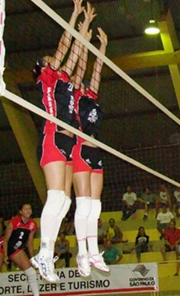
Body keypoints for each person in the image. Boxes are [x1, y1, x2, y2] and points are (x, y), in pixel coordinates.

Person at [30, 0, 92, 282]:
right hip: (53, 137)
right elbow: (65, 44)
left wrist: (84, 26)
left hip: (66, 142)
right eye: (47, 60)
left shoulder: (64, 80)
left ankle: (45, 254)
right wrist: (74, 15)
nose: (52, 60)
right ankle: (43, 253)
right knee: (56, 198)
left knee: (65, 203)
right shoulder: (47, 79)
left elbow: (76, 51)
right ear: (42, 69)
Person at [70, 20, 109, 277]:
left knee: (96, 207)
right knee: (83, 205)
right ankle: (81, 252)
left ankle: (94, 252)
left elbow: (96, 69)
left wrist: (103, 46)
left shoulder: (91, 95)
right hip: (80, 149)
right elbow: (81, 64)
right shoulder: (72, 97)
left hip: (96, 152)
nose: (83, 82)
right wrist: (82, 35)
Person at [0, 204, 39, 296]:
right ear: (21, 212)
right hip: (3, 247)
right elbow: (6, 240)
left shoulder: (33, 224)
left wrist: (32, 258)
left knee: (31, 272)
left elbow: (30, 242)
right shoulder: (14, 222)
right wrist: (6, 256)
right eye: (25, 209)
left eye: (30, 208)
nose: (28, 211)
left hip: (15, 248)